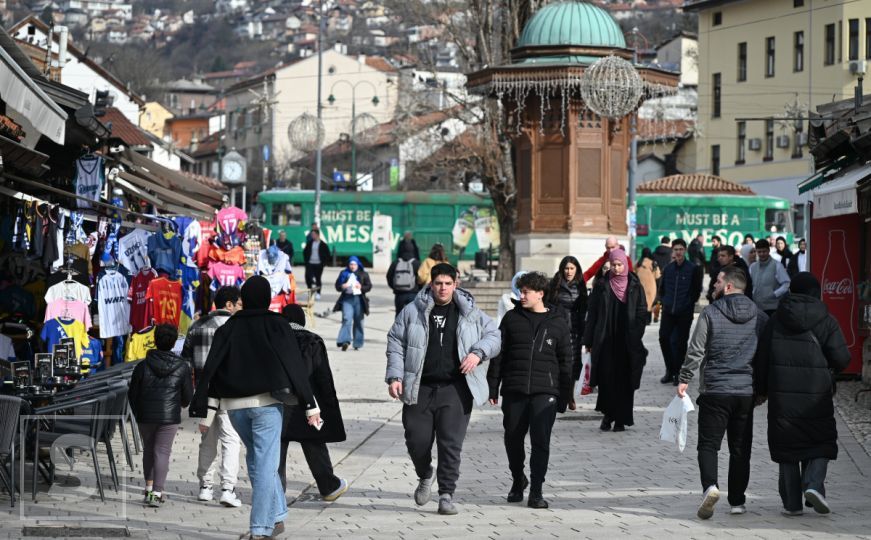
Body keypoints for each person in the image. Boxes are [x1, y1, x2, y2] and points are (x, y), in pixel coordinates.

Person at [190, 276, 320, 540]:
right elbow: (294, 364)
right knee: (265, 465)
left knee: (257, 460)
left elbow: (213, 368)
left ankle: (278, 515)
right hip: (267, 406)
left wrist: (208, 409)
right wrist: (310, 404)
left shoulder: (228, 327)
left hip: (235, 409)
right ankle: (261, 529)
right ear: (267, 297)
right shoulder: (277, 324)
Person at [385, 263, 501, 515]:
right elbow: (395, 341)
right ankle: (425, 473)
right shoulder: (412, 311)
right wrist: (395, 376)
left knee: (450, 444)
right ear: (431, 284)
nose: (443, 288)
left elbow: (494, 336)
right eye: (439, 283)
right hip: (420, 387)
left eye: (448, 284)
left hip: (455, 389)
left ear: (455, 284)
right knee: (416, 440)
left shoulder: (470, 312)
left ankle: (446, 494)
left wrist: (478, 353)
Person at [754, 272, 850, 516]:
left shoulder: (776, 320)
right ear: (816, 293)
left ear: (791, 291)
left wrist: (760, 390)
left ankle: (792, 504)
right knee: (820, 441)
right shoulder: (827, 320)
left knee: (787, 446)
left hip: (782, 395)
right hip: (816, 393)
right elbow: (842, 358)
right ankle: (814, 484)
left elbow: (762, 359)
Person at [677, 266, 768, 520]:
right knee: (740, 448)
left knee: (708, 444)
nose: (714, 285)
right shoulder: (760, 316)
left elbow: (696, 349)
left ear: (728, 286)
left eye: (717, 281)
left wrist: (684, 378)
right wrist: (762, 389)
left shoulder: (710, 312)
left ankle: (710, 487)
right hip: (745, 392)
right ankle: (737, 501)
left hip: (715, 390)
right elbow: (764, 356)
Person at [487, 272, 573, 509]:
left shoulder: (558, 322)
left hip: (545, 391)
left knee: (540, 441)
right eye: (520, 291)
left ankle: (536, 491)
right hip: (514, 388)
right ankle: (518, 479)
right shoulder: (511, 319)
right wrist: (493, 386)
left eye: (526, 292)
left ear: (540, 294)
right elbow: (498, 355)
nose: (521, 296)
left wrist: (565, 396)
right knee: (512, 439)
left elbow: (566, 361)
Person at [278, 304, 349, 502]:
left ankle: (275, 493)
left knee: (276, 446)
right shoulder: (312, 341)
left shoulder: (275, 340)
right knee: (314, 443)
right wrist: (328, 404)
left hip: (279, 402)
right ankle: (329, 487)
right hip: (308, 403)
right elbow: (323, 376)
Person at [182, 286, 243, 508]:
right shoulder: (237, 328)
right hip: (229, 393)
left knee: (207, 440)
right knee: (231, 439)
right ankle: (227, 488)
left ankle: (205, 487)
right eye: (239, 304)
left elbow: (186, 361)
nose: (241, 308)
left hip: (204, 392)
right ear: (229, 305)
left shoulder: (197, 325)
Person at [582, 250, 649, 432]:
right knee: (606, 379)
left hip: (627, 342)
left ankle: (621, 418)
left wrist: (636, 334)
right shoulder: (602, 284)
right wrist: (589, 340)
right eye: (614, 265)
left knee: (625, 380)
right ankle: (608, 415)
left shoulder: (634, 285)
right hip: (605, 340)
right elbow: (592, 313)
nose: (617, 268)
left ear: (625, 265)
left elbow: (642, 311)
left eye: (619, 265)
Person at [129, 324, 193, 508]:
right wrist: (179, 405)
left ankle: (149, 489)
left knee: (149, 450)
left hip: (146, 415)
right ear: (173, 343)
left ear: (155, 340)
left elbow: (132, 394)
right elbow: (188, 396)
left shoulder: (142, 366)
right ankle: (157, 493)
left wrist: (138, 412)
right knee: (162, 452)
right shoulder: (182, 367)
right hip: (169, 416)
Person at [658, 239, 702, 385]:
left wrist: (688, 304)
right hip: (668, 311)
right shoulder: (668, 268)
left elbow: (696, 290)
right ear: (672, 250)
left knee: (680, 343)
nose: (678, 252)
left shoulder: (693, 268)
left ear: (685, 250)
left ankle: (678, 372)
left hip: (684, 312)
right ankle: (669, 370)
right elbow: (662, 288)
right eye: (676, 249)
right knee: (664, 338)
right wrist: (664, 301)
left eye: (681, 249)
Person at [546, 256, 588, 381]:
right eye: (566, 268)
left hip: (574, 330)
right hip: (557, 327)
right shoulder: (555, 284)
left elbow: (583, 310)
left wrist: (584, 334)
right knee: (557, 362)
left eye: (572, 268)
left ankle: (569, 391)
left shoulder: (580, 285)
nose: (569, 272)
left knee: (573, 364)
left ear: (576, 269)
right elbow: (548, 305)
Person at [334, 256, 372, 350]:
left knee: (359, 321)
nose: (352, 266)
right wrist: (342, 286)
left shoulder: (363, 273)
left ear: (358, 265)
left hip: (359, 299)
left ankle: (357, 343)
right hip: (347, 299)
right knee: (346, 319)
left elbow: (369, 286)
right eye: (351, 264)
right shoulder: (344, 273)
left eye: (354, 264)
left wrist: (361, 287)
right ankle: (344, 341)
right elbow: (337, 286)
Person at [749, 239, 790, 317]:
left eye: (764, 251)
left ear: (769, 250)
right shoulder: (752, 267)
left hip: (773, 308)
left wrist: (774, 294)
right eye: (759, 252)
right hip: (757, 307)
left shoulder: (777, 265)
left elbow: (786, 284)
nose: (762, 254)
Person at [387, 241, 421, 314]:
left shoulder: (396, 262)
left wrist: (394, 287)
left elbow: (389, 276)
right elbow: (421, 278)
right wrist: (418, 288)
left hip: (399, 294)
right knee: (412, 315)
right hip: (413, 293)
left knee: (399, 314)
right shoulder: (416, 263)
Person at [303, 229, 331, 298]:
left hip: (319, 264)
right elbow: (305, 252)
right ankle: (310, 291)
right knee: (308, 278)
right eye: (312, 234)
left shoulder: (323, 244)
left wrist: (323, 263)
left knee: (318, 278)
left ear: (317, 235)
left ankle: (318, 293)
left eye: (313, 234)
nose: (312, 236)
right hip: (310, 263)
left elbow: (328, 254)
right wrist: (306, 261)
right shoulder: (310, 243)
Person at [635, 248, 660, 315]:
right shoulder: (653, 263)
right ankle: (648, 317)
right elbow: (657, 276)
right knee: (649, 303)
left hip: (640, 285)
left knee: (641, 302)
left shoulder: (638, 263)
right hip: (651, 286)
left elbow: (634, 273)